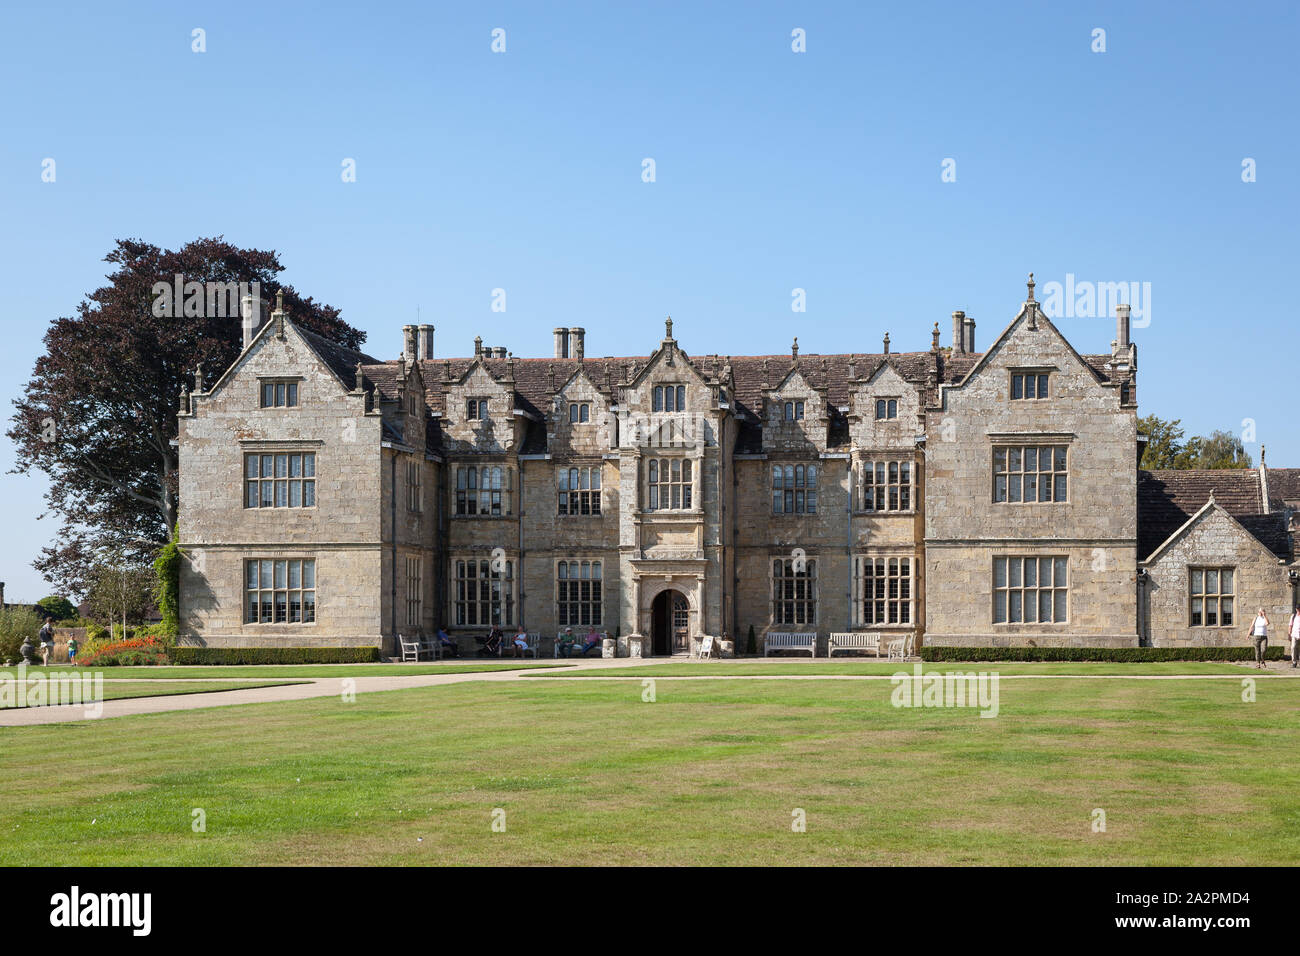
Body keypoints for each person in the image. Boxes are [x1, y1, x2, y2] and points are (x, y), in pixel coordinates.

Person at [1289, 605, 1300, 670]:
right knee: (1293, 647)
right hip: (1294, 634)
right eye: (1297, 608)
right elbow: (1290, 625)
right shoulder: (1293, 616)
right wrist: (1289, 634)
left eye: (1299, 608)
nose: (1298, 610)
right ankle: (1294, 662)